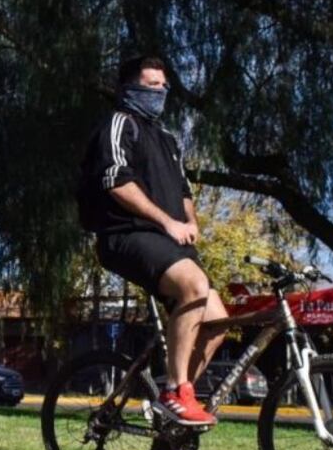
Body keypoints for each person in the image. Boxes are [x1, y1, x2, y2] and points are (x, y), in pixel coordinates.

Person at [79, 55, 227, 426]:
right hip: (126, 235)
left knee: (218, 319)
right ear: (129, 89)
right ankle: (176, 392)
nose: (160, 92)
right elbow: (115, 180)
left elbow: (182, 189)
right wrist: (167, 222)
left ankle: (175, 399)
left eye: (164, 86)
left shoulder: (167, 139)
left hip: (168, 242)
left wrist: (189, 221)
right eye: (151, 85)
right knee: (193, 285)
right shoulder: (119, 124)